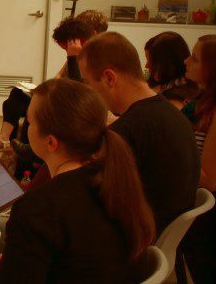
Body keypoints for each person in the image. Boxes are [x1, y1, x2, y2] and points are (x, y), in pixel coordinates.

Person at [0, 79, 156, 283]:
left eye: (30, 122)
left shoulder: (38, 208)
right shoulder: (117, 181)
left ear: (50, 142)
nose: (26, 128)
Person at [77, 32, 199, 233]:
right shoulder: (169, 112)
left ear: (109, 78)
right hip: (162, 231)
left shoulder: (128, 130)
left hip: (139, 238)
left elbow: (89, 195)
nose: (89, 91)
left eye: (88, 82)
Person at [0, 17, 94, 153]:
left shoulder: (88, 59)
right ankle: (4, 139)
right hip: (58, 99)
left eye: (66, 48)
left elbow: (79, 93)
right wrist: (42, 89)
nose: (66, 51)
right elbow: (58, 76)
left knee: (35, 109)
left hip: (70, 108)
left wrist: (73, 57)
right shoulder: (73, 57)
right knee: (16, 95)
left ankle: (28, 152)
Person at [181, 35, 216, 283]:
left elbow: (210, 180)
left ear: (215, 69)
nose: (186, 61)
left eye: (195, 58)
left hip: (215, 220)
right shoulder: (204, 103)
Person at [144, 31, 197, 107]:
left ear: (167, 64)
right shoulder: (159, 84)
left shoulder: (176, 100)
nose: (146, 65)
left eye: (152, 61)